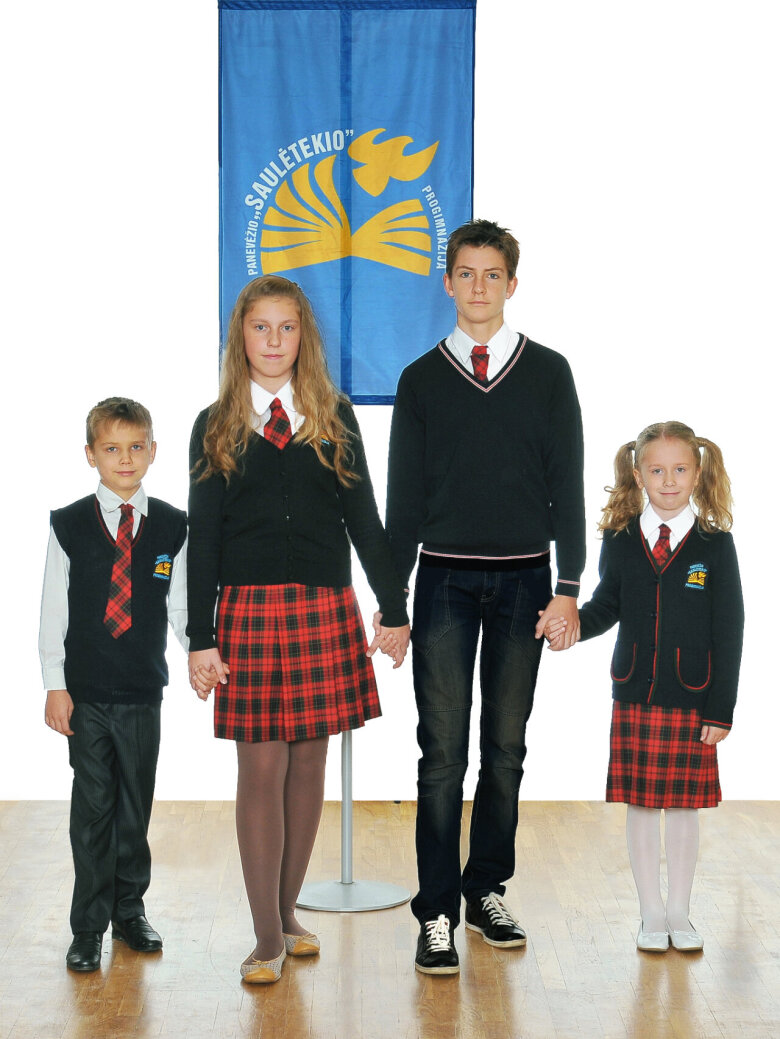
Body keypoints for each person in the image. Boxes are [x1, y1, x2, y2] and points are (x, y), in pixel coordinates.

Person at [187, 274, 410, 985]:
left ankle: (287, 915)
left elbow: (364, 519)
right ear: (241, 337)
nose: (274, 340)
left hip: (323, 608)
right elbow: (204, 539)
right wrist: (199, 636)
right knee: (262, 767)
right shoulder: (215, 424)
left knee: (309, 764)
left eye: (287, 328)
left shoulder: (332, 416)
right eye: (261, 327)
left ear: (303, 337)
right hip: (247, 613)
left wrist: (394, 605)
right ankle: (264, 938)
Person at [386, 219, 585, 974]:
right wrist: (394, 602)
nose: (478, 286)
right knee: (441, 754)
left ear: (512, 283)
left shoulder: (549, 372)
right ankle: (436, 911)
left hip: (526, 582)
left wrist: (569, 587)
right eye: (465, 273)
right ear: (447, 282)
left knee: (505, 749)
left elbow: (567, 485)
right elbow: (404, 499)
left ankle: (486, 890)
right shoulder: (420, 380)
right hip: (442, 582)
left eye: (492, 274)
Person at [544, 421, 743, 952]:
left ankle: (680, 912)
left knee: (683, 807)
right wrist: (572, 626)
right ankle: (651, 913)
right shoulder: (620, 539)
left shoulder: (715, 545)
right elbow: (607, 605)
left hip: (693, 696)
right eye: (657, 470)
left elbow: (730, 629)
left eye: (680, 470)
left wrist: (721, 708)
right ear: (638, 475)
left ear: (697, 474)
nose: (669, 481)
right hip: (635, 691)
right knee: (641, 804)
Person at [39, 397, 188, 972]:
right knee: (93, 808)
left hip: (142, 693)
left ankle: (129, 911)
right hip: (86, 695)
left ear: (152, 451)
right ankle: (88, 926)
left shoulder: (172, 525)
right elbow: (53, 611)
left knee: (133, 807)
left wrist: (202, 656)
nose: (124, 458)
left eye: (135, 447)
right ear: (90, 455)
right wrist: (55, 684)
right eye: (111, 448)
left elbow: (181, 608)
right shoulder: (69, 525)